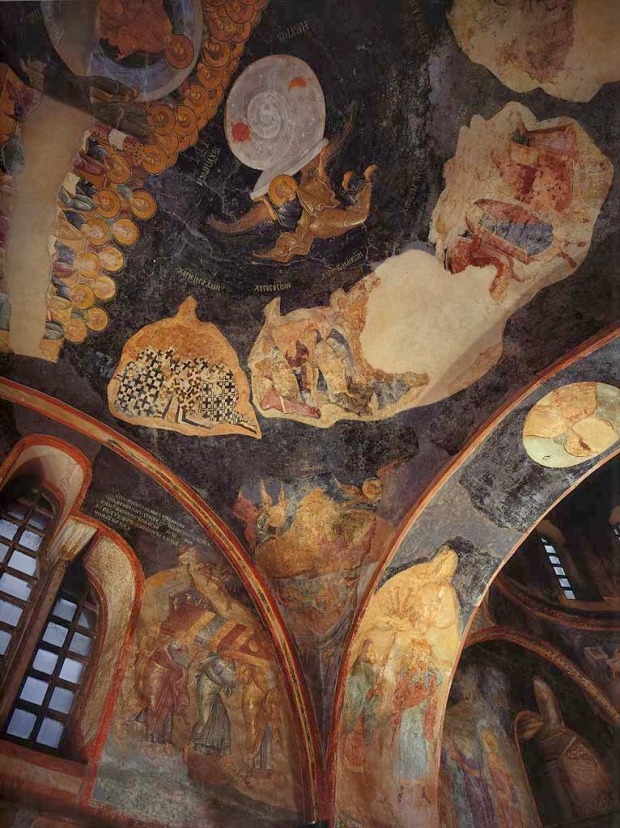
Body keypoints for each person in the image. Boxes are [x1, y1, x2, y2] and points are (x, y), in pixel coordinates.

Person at [138, 640, 189, 744]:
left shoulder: (181, 664)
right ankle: (148, 736)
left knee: (165, 711)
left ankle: (156, 737)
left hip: (168, 687)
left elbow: (182, 679)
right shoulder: (165, 649)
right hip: (157, 679)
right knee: (152, 707)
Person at [342, 639, 381, 773]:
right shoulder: (358, 668)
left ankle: (359, 764)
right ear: (362, 651)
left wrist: (374, 690)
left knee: (362, 734)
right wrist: (368, 691)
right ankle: (349, 762)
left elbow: (370, 686)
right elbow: (353, 688)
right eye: (368, 650)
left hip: (364, 708)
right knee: (356, 733)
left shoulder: (369, 668)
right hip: (358, 709)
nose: (370, 654)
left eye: (371, 651)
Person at [190, 652, 237, 756]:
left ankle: (212, 747)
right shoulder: (219, 663)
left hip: (213, 692)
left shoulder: (221, 662)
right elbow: (232, 682)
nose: (231, 658)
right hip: (207, 691)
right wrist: (236, 672)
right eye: (229, 655)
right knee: (205, 720)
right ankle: (190, 745)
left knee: (222, 715)